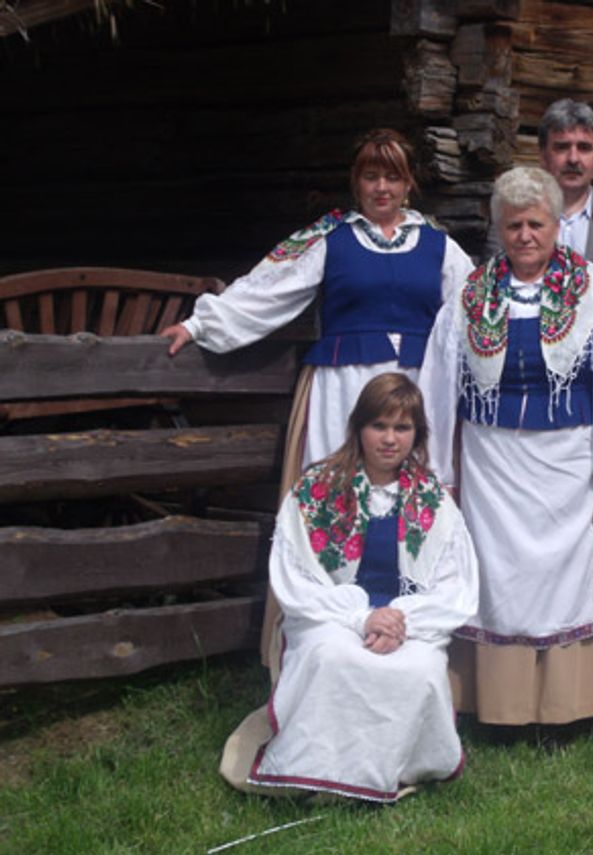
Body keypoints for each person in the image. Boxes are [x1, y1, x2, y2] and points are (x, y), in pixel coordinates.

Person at [160, 128, 473, 667]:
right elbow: (267, 288)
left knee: (412, 513)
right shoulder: (330, 239)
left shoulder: (439, 246)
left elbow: (474, 312)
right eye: (371, 176)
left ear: (409, 183)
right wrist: (202, 324)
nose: (381, 187)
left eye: (392, 176)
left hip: (415, 398)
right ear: (355, 182)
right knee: (334, 508)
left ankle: (407, 641)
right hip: (342, 391)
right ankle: (322, 650)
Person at [419, 166, 593, 725]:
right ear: (499, 228)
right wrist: (439, 472)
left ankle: (567, 704)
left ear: (556, 226)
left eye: (537, 224)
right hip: (491, 466)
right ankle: (499, 704)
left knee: (566, 582)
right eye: (514, 225)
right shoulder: (472, 294)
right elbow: (437, 382)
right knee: (497, 580)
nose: (525, 236)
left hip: (569, 465)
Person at [219, 373, 479, 803]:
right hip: (332, 617)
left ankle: (397, 764)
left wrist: (399, 621)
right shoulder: (316, 489)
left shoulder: (432, 498)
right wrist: (361, 618)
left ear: (417, 433)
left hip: (405, 623)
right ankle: (319, 769)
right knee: (333, 656)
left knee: (418, 669)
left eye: (402, 427)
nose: (390, 439)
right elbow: (294, 577)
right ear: (358, 427)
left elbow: (457, 584)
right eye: (379, 425)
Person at [538, 98, 593, 259]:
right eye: (562, 147)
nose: (573, 159)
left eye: (584, 148)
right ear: (543, 157)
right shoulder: (514, 217)